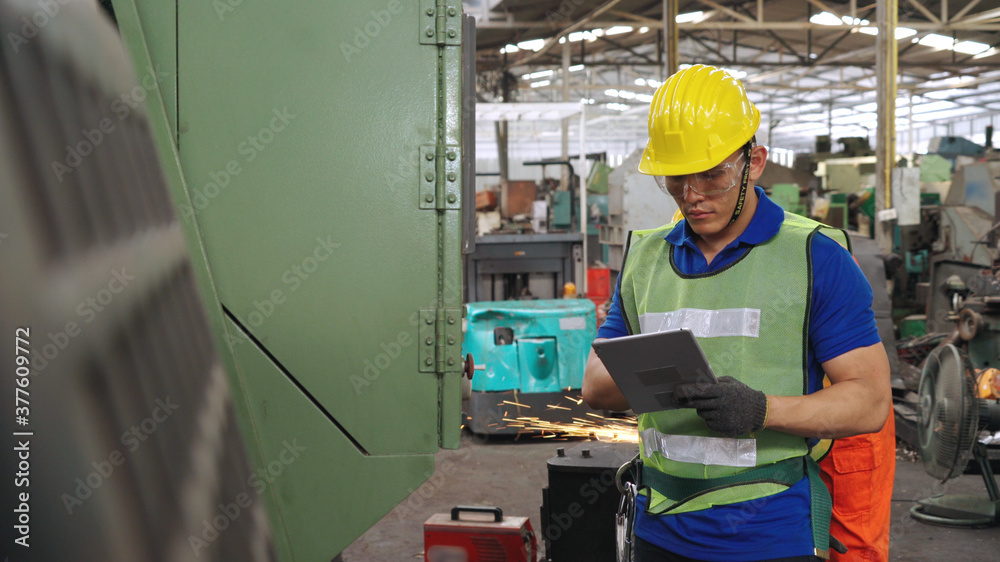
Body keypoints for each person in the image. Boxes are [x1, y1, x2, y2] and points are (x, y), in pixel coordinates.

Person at [582, 64, 892, 562]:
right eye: (676, 178)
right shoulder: (644, 257)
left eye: (713, 174)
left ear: (756, 161)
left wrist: (762, 410)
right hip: (659, 525)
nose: (693, 195)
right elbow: (596, 385)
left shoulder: (815, 256)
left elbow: (870, 401)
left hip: (768, 531)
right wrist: (664, 379)